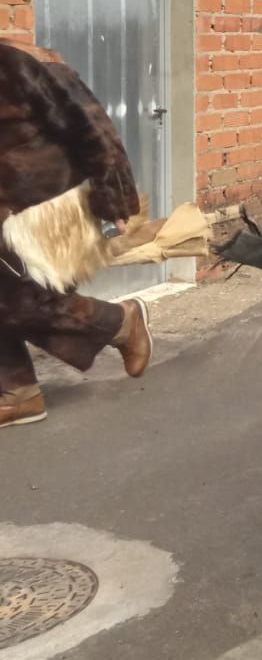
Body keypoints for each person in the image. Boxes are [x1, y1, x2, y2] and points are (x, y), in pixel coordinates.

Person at [0, 40, 155, 429]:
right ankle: (17, 392)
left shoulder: (18, 60)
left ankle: (120, 322)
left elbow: (93, 126)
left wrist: (115, 195)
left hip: (38, 205)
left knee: (21, 300)